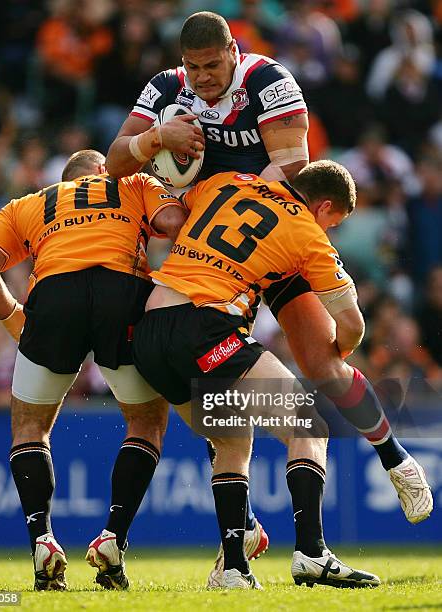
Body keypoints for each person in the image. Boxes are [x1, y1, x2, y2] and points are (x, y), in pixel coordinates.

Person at [132, 161, 432, 589]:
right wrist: (340, 351)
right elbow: (353, 325)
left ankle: (233, 569)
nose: (330, 231)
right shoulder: (307, 233)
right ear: (324, 206)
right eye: (334, 223)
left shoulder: (226, 182)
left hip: (151, 332)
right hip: (205, 326)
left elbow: (177, 214)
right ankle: (312, 552)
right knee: (309, 426)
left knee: (230, 442)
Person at [106, 8, 311, 567]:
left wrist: (224, 199)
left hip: (261, 240)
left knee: (324, 356)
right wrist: (157, 138)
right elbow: (112, 165)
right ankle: (283, 553)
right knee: (244, 426)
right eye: (192, 67)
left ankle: (392, 458)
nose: (201, 77)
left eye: (211, 65)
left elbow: (293, 166)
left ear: (233, 52)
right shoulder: (166, 88)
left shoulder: (267, 81)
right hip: (201, 277)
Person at [0, 149, 187, 591]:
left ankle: (42, 542)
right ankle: (112, 539)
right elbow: (172, 225)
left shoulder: (26, 204)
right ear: (103, 172)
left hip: (53, 295)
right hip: (121, 291)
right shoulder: (132, 184)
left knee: (29, 427)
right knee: (145, 424)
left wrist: (14, 320)